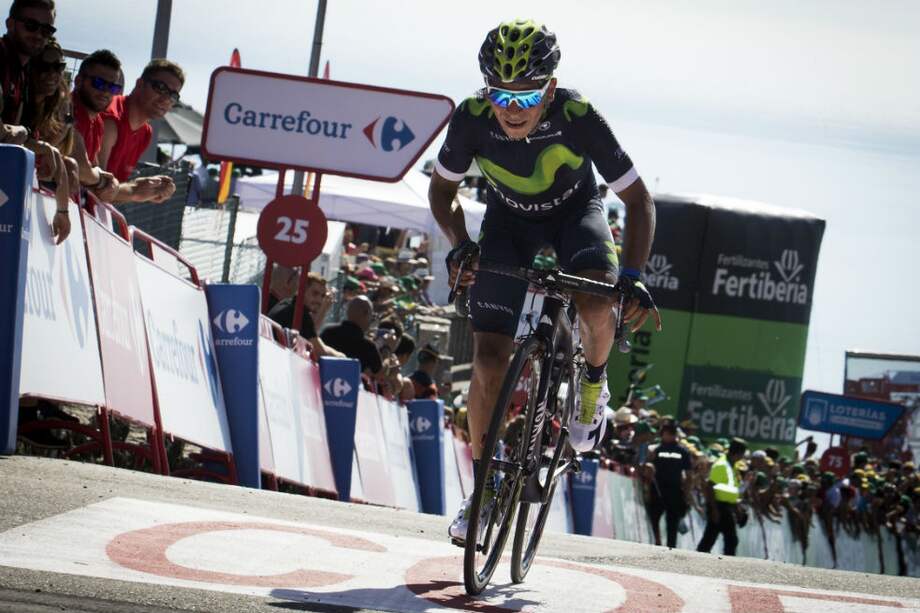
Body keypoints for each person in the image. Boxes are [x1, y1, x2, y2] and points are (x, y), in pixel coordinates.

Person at [428, 19, 661, 545]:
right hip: (507, 223)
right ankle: (484, 490)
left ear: (549, 90)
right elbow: (442, 195)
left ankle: (593, 387)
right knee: (488, 361)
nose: (512, 108)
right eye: (500, 94)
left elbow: (639, 201)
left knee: (596, 302)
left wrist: (631, 277)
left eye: (527, 95)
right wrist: (461, 244)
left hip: (576, 216)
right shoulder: (470, 119)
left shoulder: (577, 115)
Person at [99, 58, 184, 202]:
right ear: (139, 84)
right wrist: (135, 190)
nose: (165, 99)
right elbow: (97, 189)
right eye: (160, 88)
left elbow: (110, 193)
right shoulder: (111, 118)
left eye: (173, 95)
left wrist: (146, 191)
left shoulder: (145, 132)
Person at [267, 270, 343, 358]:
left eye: (322, 296)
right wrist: (342, 357)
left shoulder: (288, 304)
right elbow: (320, 352)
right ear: (302, 290)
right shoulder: (299, 313)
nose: (319, 300)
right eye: (315, 293)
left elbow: (311, 337)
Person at [645, 419, 692, 548]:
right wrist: (647, 490)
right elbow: (647, 467)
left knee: (672, 522)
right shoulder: (655, 449)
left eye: (672, 432)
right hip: (657, 490)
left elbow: (689, 475)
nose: (670, 435)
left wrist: (687, 494)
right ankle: (656, 542)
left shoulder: (683, 451)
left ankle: (671, 548)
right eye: (667, 432)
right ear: (662, 433)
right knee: (654, 518)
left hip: (675, 491)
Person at [697, 437, 748, 556]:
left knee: (711, 537)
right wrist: (714, 510)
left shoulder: (732, 466)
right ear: (738, 453)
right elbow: (710, 487)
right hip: (718, 505)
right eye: (742, 454)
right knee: (730, 539)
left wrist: (736, 508)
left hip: (726, 506)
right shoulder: (722, 465)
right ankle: (726, 562)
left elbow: (731, 490)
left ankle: (699, 556)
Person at [320, 296, 382, 377]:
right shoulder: (368, 347)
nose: (371, 320)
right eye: (372, 315)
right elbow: (381, 375)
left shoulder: (328, 332)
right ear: (366, 313)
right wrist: (387, 349)